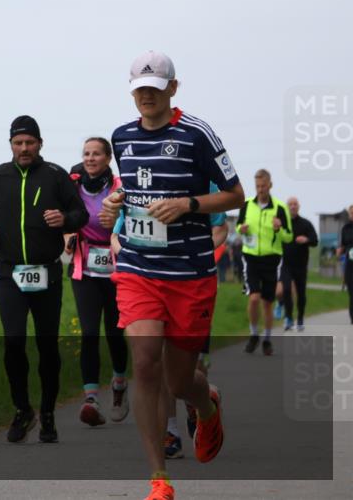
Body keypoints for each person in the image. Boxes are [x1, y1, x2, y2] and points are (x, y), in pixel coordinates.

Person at [100, 51, 244, 500]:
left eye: (155, 88)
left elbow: (235, 195)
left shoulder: (196, 134)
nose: (146, 95)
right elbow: (132, 190)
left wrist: (189, 204)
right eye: (140, 88)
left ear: (173, 89)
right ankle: (159, 479)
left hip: (190, 272)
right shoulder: (121, 137)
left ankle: (206, 403)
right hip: (139, 269)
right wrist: (114, 207)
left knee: (179, 381)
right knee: (145, 363)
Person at [0, 115, 89, 444]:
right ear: (10, 145)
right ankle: (23, 409)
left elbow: (80, 213)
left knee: (47, 345)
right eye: (18, 143)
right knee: (13, 343)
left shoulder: (55, 176)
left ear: (40, 144)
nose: (24, 148)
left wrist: (65, 218)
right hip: (8, 272)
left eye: (30, 142)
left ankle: (48, 412)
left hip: (46, 272)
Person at [112, 183, 228, 460]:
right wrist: (128, 254)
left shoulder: (204, 182)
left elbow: (221, 229)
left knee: (185, 370)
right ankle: (171, 432)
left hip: (191, 281)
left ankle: (201, 403)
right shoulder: (138, 181)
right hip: (146, 281)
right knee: (153, 360)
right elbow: (117, 233)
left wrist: (192, 251)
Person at [65, 137, 129, 427]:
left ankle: (118, 385)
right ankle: (90, 398)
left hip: (117, 269)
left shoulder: (119, 187)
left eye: (96, 154)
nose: (90, 158)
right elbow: (65, 219)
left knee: (115, 332)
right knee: (89, 332)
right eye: (86, 154)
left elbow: (130, 223)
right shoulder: (74, 186)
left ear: (108, 158)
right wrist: (66, 237)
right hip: (85, 269)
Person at [237, 169, 293, 355]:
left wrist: (278, 229)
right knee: (254, 298)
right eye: (257, 186)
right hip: (251, 257)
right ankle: (254, 335)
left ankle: (267, 339)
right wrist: (241, 229)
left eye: (263, 186)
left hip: (272, 259)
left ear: (270, 185)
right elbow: (238, 226)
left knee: (267, 302)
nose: (260, 190)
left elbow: (288, 237)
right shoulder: (246, 206)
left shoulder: (279, 208)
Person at [280, 197, 319, 331]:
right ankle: (288, 318)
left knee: (301, 294)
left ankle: (300, 318)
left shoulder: (306, 224)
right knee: (286, 290)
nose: (292, 206)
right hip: (285, 264)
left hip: (301, 265)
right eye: (290, 204)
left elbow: (315, 241)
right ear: (286, 207)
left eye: (295, 204)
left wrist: (306, 239)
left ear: (299, 206)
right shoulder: (283, 224)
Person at [338, 204, 353, 325]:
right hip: (349, 263)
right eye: (351, 213)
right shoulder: (346, 228)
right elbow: (342, 245)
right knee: (351, 291)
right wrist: (339, 250)